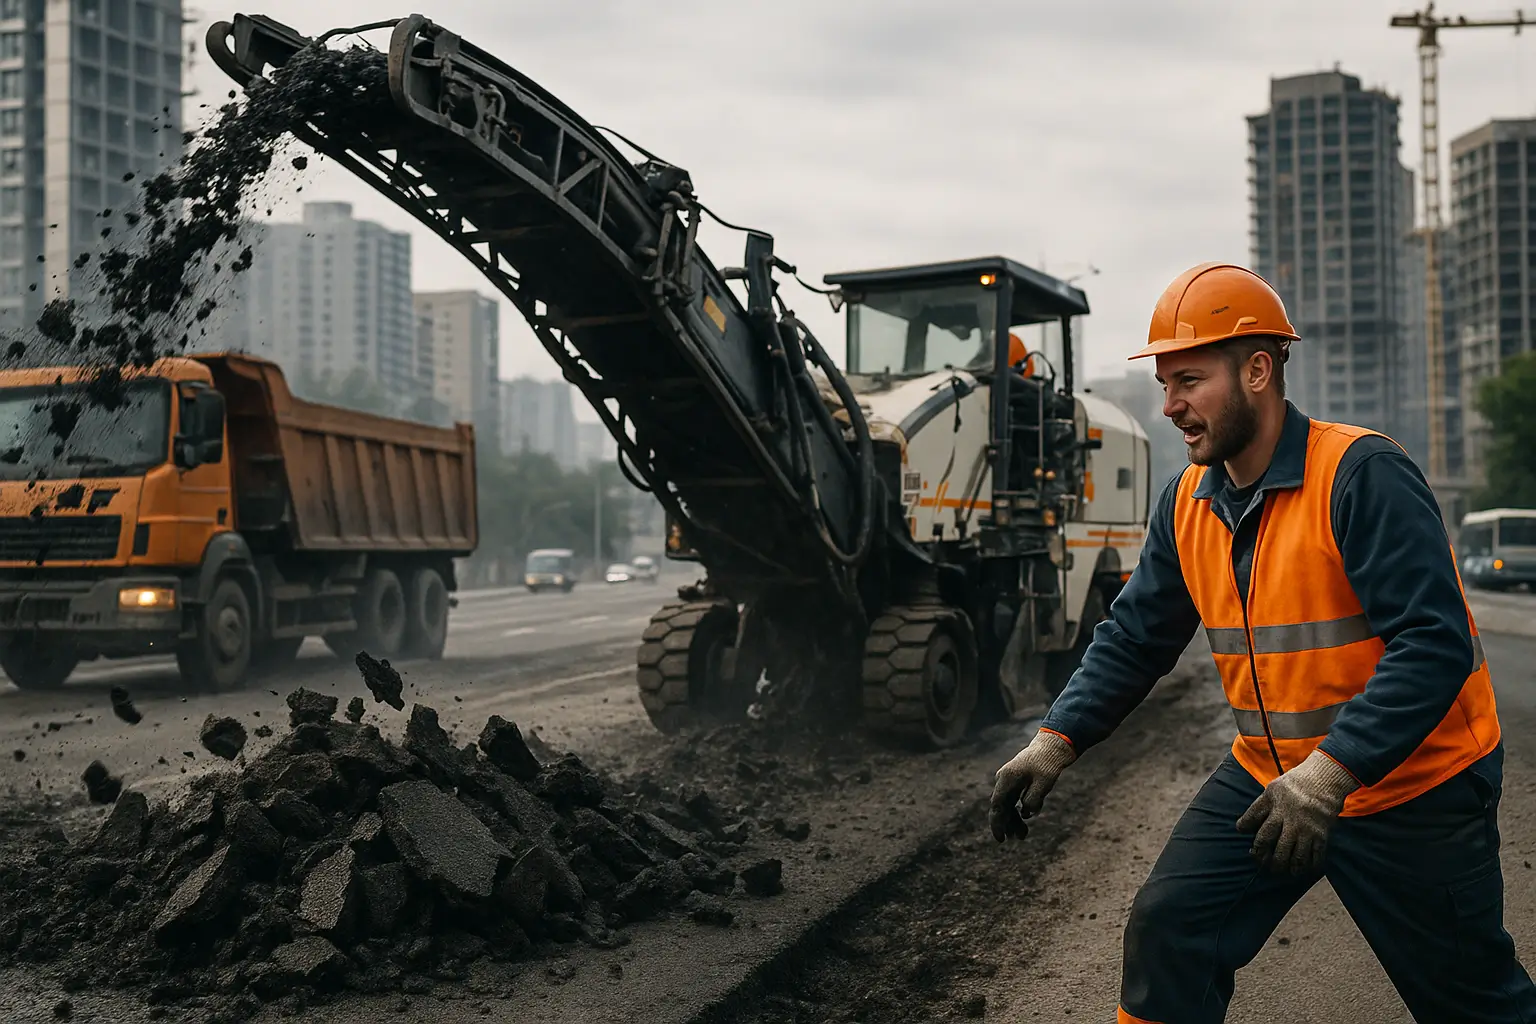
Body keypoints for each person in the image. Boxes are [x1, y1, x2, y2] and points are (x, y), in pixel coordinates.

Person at [988, 262, 1536, 1023]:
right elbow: (1137, 634)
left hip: (1414, 788)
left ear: (1256, 369)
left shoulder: (1360, 473)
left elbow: (1433, 644)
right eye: (1165, 384)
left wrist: (1331, 775)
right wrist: (1056, 739)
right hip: (1270, 776)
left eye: (1188, 380)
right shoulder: (1186, 501)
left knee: (1472, 1002)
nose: (1170, 404)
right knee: (1171, 928)